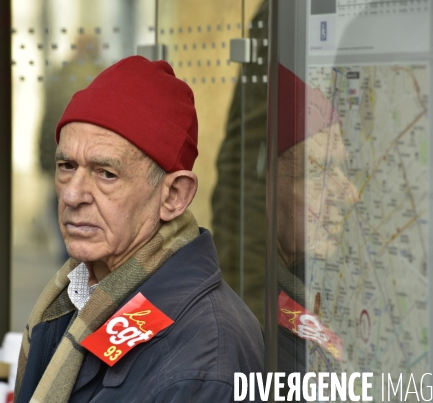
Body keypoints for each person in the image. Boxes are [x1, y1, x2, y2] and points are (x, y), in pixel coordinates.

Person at [14, 56, 264, 403]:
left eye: (106, 174)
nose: (72, 194)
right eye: (66, 166)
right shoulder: (75, 294)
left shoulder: (205, 352)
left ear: (173, 196)